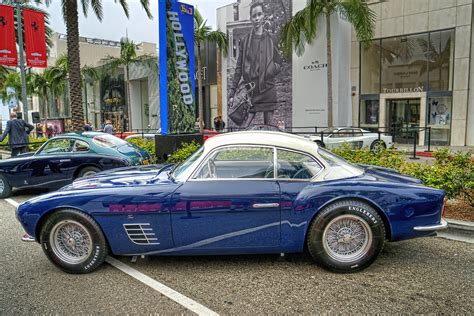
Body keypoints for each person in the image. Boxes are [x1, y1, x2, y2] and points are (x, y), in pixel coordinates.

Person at [228, 0, 282, 127]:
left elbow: (279, 61)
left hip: (268, 88)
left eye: (259, 14)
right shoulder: (245, 41)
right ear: (251, 18)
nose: (257, 18)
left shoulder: (271, 38)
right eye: (254, 16)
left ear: (263, 15)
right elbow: (239, 68)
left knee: (269, 128)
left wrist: (271, 70)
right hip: (251, 91)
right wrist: (232, 92)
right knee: (244, 127)